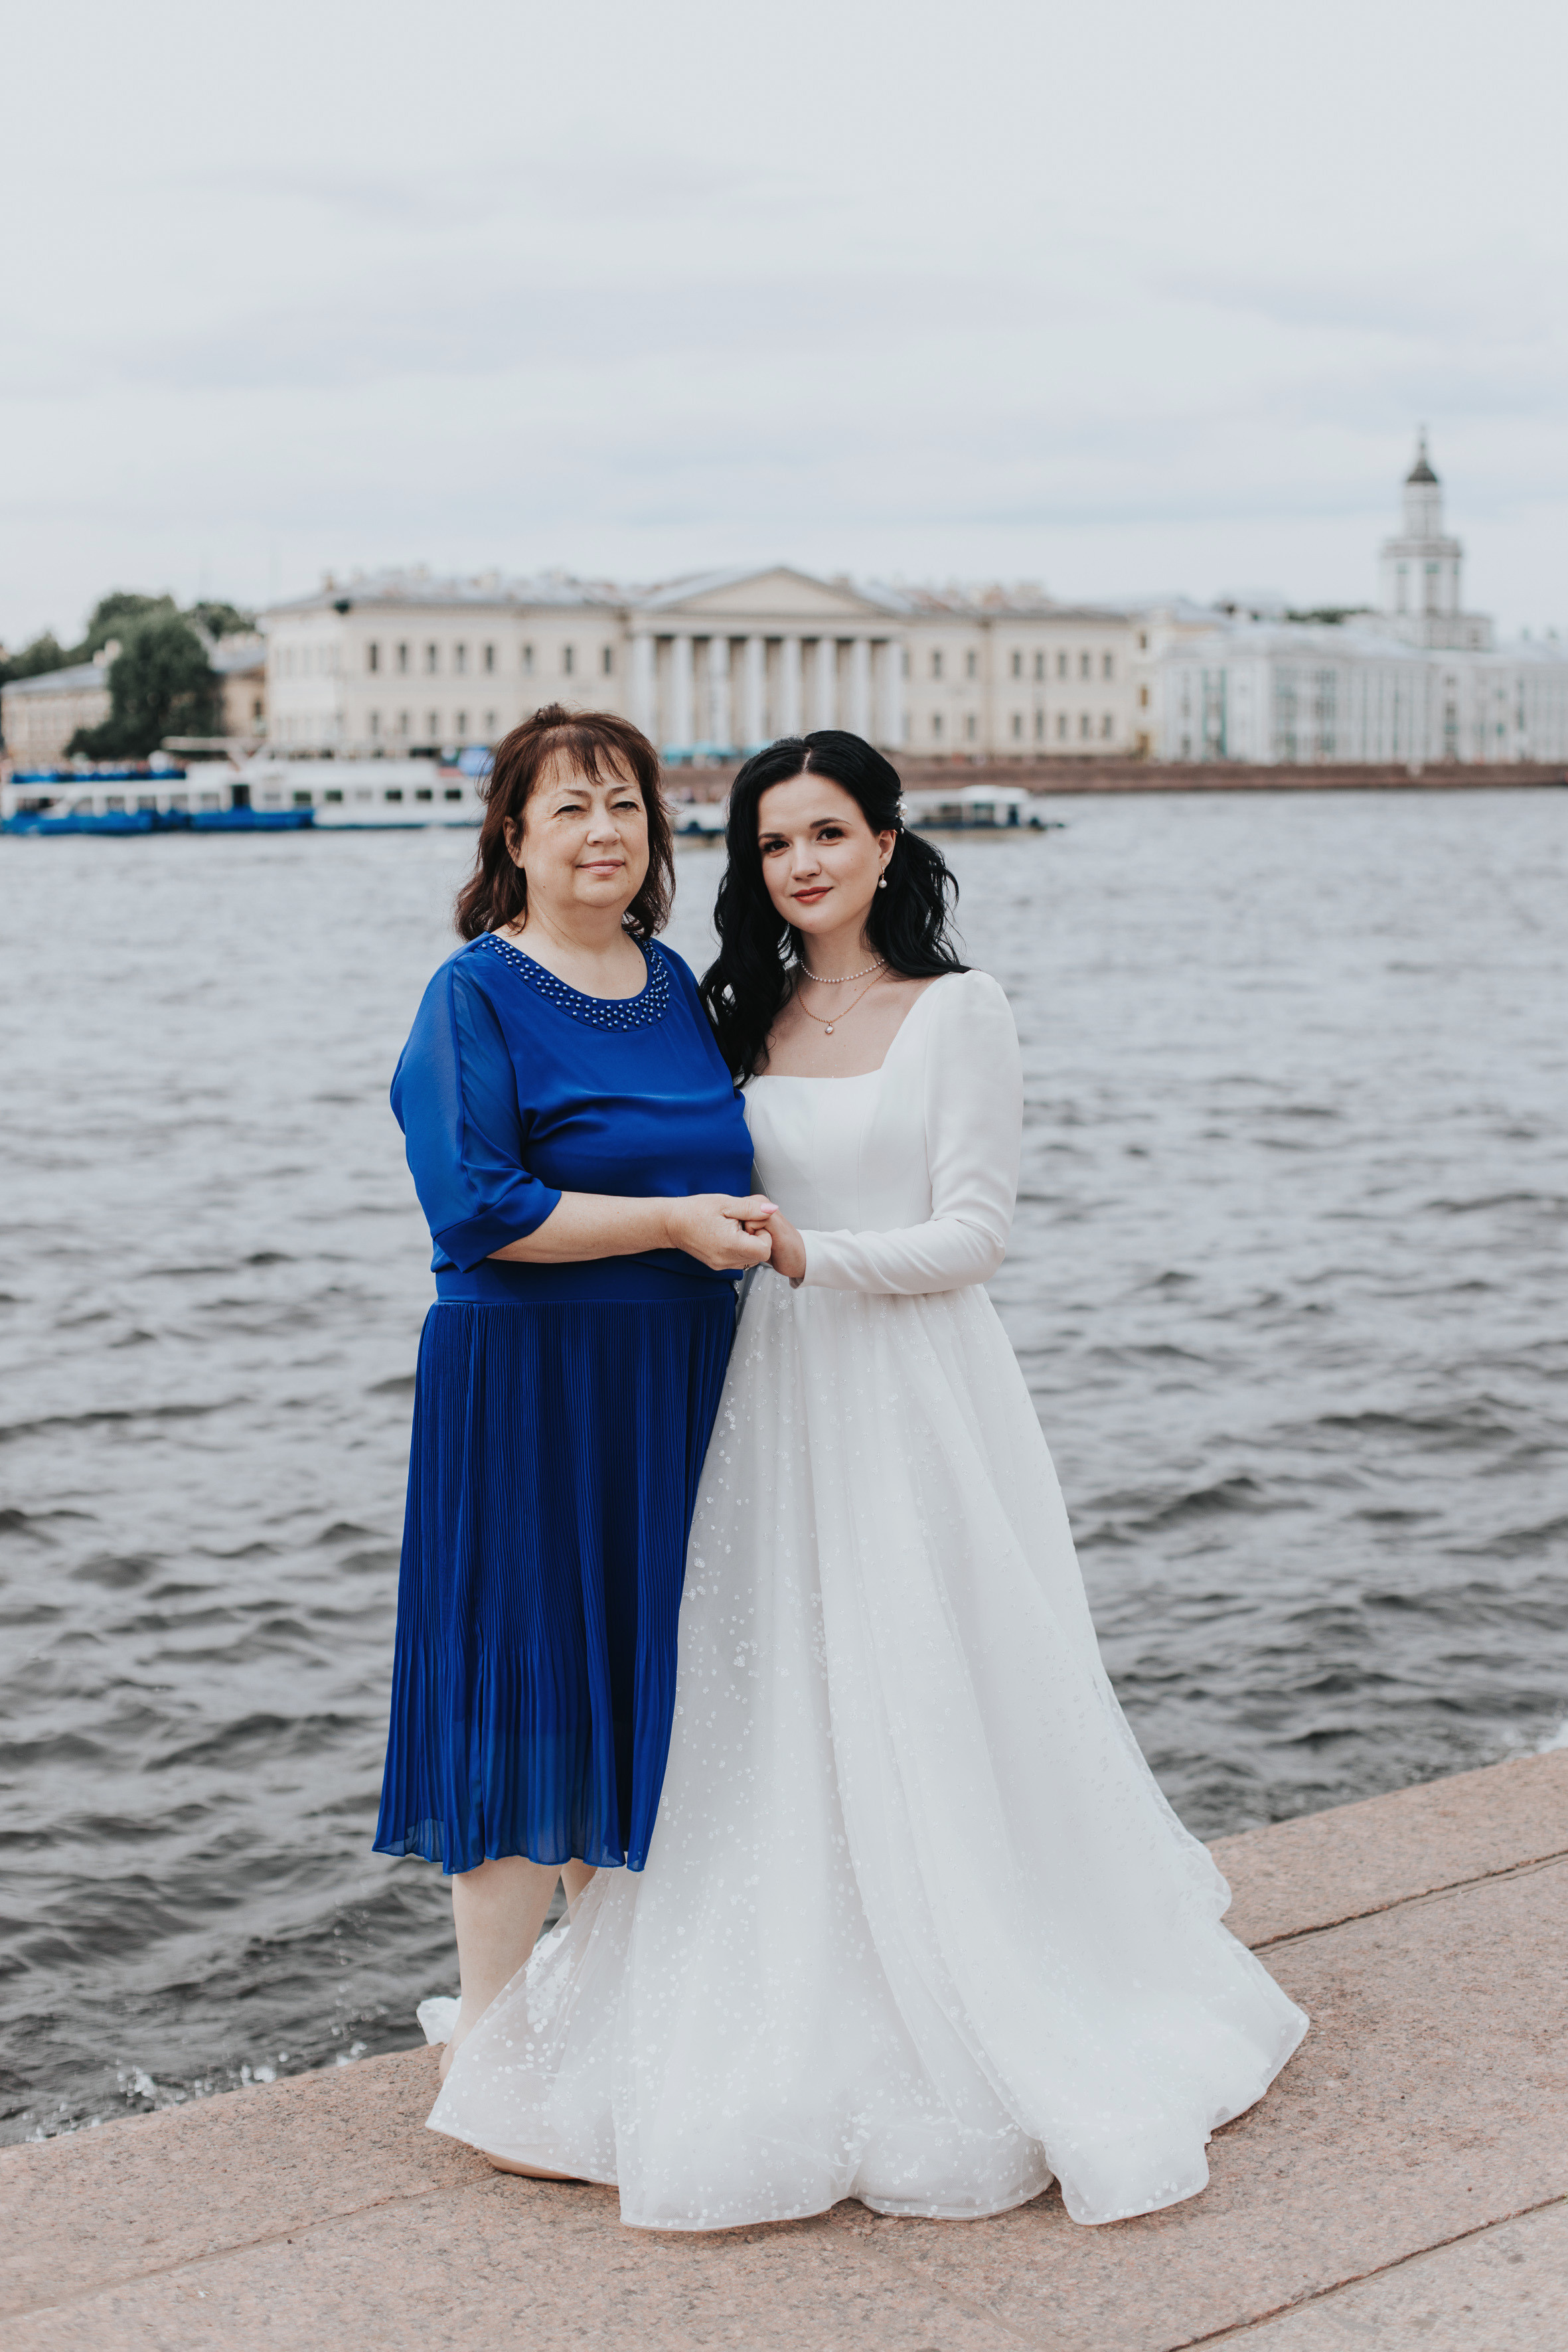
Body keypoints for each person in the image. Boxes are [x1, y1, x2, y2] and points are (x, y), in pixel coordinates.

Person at [422, 729, 1308, 2227]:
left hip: (903, 1384)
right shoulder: (729, 1009)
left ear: (887, 844)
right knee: (758, 1696)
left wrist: (807, 1254)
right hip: (761, 1390)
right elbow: (604, 1167)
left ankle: (969, 1960)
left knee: (918, 1677)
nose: (803, 863)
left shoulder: (959, 1010)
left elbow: (975, 1232)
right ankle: (728, 1975)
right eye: (773, 843)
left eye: (829, 832)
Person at [374, 705, 772, 2090]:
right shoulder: (470, 993)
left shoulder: (677, 986)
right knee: (526, 1693)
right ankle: (486, 2043)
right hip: (528, 1381)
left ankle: (606, 2020)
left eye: (625, 805)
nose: (602, 831)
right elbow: (478, 1205)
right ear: (513, 834)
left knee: (642, 1689)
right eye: (569, 808)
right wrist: (670, 1225)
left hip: (673, 1378)